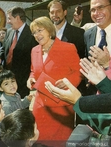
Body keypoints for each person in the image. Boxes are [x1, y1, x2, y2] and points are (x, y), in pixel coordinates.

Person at [26, 16, 81, 146]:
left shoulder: (67, 48)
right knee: (39, 141)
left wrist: (68, 82)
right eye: (34, 32)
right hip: (40, 106)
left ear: (49, 30)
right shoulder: (34, 50)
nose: (37, 35)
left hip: (61, 106)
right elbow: (34, 70)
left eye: (40, 30)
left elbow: (78, 72)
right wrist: (30, 79)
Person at [0, 6, 38, 98]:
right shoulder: (9, 32)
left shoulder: (32, 33)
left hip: (23, 80)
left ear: (17, 18)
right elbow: (4, 48)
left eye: (9, 18)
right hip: (7, 78)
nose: (8, 22)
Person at [84, 0, 111, 94]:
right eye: (93, 10)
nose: (96, 13)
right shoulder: (88, 34)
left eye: (100, 7)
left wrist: (106, 65)